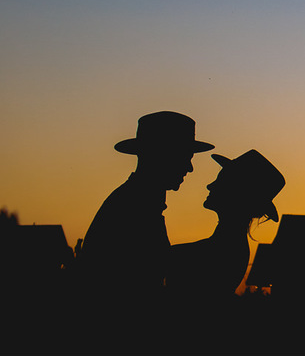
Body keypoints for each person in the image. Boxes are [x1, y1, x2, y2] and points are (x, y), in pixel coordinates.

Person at [77, 111, 213, 303]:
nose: (190, 168)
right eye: (184, 156)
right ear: (163, 155)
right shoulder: (134, 209)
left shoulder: (134, 202)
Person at [168, 149, 285, 300]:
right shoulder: (232, 249)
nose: (210, 186)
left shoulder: (225, 252)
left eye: (221, 181)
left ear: (236, 192)